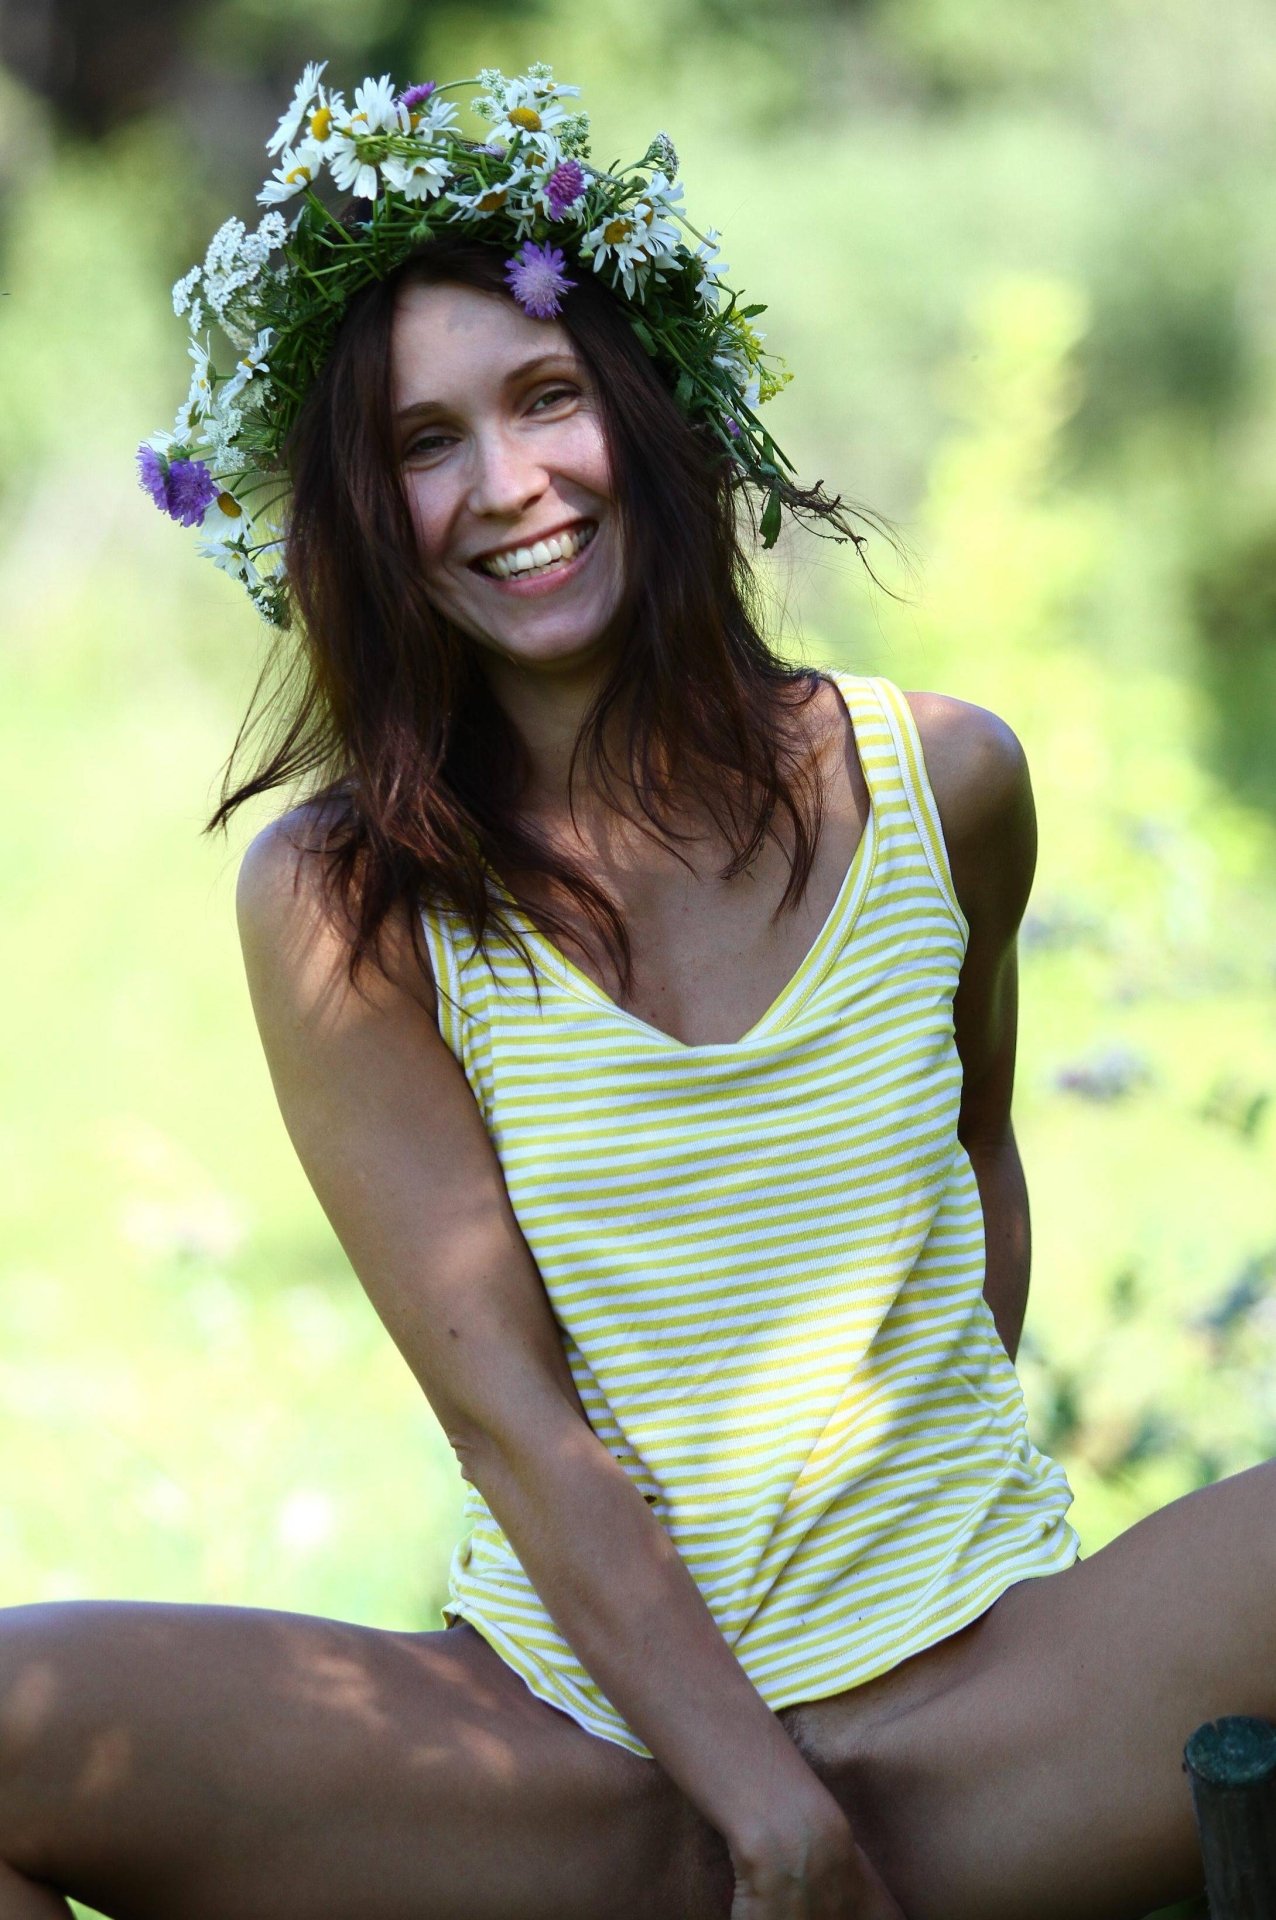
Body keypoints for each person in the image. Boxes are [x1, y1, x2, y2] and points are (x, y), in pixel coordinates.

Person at [0, 59, 1257, 1920]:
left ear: (646, 410)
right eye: (425, 444)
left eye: (546, 397)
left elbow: (981, 1168)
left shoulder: (944, 783)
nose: (508, 485)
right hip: (579, 1764)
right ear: (366, 511)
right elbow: (507, 1413)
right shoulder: (345, 904)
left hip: (982, 1719)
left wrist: (901, 1587)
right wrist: (775, 1820)